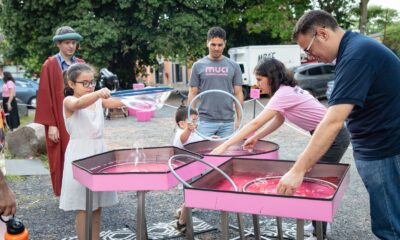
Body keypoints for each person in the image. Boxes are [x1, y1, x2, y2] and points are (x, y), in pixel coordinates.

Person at [276, 10, 400, 240]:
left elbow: (333, 121)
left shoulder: (357, 55)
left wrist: (298, 170)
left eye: (309, 49)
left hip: (384, 148)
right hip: (379, 145)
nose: (310, 56)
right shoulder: (355, 50)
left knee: (390, 227)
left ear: (322, 34)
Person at [211, 57, 349, 238]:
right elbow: (280, 118)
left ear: (271, 77)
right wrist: (257, 137)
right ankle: (317, 222)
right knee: (309, 174)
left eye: (260, 79)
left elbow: (255, 122)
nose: (257, 84)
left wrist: (225, 145)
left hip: (333, 137)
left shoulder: (283, 93)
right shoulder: (287, 90)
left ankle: (320, 229)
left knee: (313, 177)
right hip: (325, 135)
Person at [59, 63, 123, 239]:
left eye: (92, 82)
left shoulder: (98, 100)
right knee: (84, 206)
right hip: (80, 154)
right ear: (72, 84)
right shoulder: (69, 101)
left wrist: (143, 96)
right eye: (84, 83)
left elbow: (119, 101)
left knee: (97, 205)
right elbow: (78, 103)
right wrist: (97, 92)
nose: (89, 86)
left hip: (99, 151)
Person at [34, 26, 84, 196]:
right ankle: (65, 192)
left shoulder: (81, 65)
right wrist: (52, 125)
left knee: (82, 150)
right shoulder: (50, 65)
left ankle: (83, 187)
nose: (71, 46)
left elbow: (90, 91)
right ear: (58, 44)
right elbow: (45, 95)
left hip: (81, 117)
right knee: (61, 154)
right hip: (59, 119)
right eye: (67, 43)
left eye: (73, 43)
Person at [187, 26, 244, 138]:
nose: (216, 48)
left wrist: (239, 120)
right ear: (207, 43)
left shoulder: (234, 66)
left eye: (220, 45)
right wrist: (190, 118)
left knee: (226, 153)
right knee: (203, 153)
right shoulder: (198, 65)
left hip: (227, 122)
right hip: (205, 121)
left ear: (225, 44)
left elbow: (238, 93)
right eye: (213, 44)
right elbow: (192, 93)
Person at [171, 105, 203, 232]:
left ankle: (181, 211)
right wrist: (188, 130)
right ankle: (181, 223)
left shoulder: (194, 133)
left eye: (196, 120)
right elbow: (182, 140)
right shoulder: (181, 134)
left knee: (191, 196)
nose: (195, 123)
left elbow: (201, 143)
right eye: (193, 120)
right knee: (191, 197)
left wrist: (212, 139)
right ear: (182, 123)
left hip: (195, 171)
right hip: (186, 172)